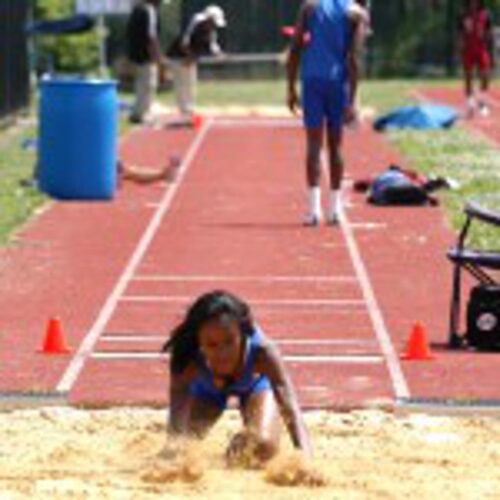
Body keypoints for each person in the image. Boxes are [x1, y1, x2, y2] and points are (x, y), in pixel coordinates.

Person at [162, 290, 312, 465]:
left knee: (263, 445)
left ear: (242, 335)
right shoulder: (187, 358)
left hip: (255, 387)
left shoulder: (263, 353)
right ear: (198, 342)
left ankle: (234, 452)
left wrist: (306, 461)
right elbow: (176, 419)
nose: (222, 354)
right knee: (184, 449)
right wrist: (173, 453)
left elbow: (291, 408)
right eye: (211, 345)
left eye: (229, 342)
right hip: (207, 391)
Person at [286, 0, 368, 226]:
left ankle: (313, 211)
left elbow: (295, 47)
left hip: (312, 80)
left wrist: (291, 87)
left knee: (313, 144)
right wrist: (352, 100)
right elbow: (354, 57)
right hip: (337, 82)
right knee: (336, 146)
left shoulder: (309, 7)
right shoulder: (354, 12)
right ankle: (335, 210)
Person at [166, 5, 227, 122]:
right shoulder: (195, 22)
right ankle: (184, 113)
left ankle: (189, 111)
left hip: (191, 58)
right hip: (178, 57)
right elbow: (184, 42)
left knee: (190, 84)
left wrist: (220, 55)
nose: (214, 26)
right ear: (208, 19)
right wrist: (189, 56)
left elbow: (213, 45)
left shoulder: (210, 30)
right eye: (213, 22)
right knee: (181, 84)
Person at [126, 0, 165, 124]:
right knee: (148, 85)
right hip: (145, 55)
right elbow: (151, 36)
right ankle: (142, 114)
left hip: (135, 53)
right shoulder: (149, 11)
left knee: (140, 84)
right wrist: (157, 56)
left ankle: (137, 112)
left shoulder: (136, 10)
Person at [458, 0, 494, 118]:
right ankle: (470, 103)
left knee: (485, 74)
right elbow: (459, 31)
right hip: (468, 49)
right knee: (468, 75)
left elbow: (489, 31)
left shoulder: (485, 14)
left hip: (481, 48)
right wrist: (460, 45)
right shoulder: (464, 13)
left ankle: (482, 103)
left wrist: (488, 38)